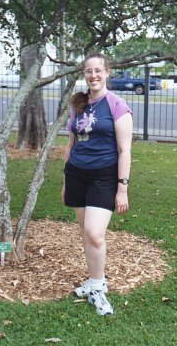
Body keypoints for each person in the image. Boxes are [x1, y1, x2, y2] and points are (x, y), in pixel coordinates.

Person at [61, 52, 133, 316]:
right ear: (84, 74)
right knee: (85, 232)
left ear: (107, 72)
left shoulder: (116, 105)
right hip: (76, 175)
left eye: (98, 70)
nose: (93, 75)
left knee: (94, 233)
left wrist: (122, 188)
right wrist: (65, 181)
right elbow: (70, 145)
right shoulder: (78, 105)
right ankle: (92, 281)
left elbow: (125, 151)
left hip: (104, 177)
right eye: (88, 71)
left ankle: (99, 289)